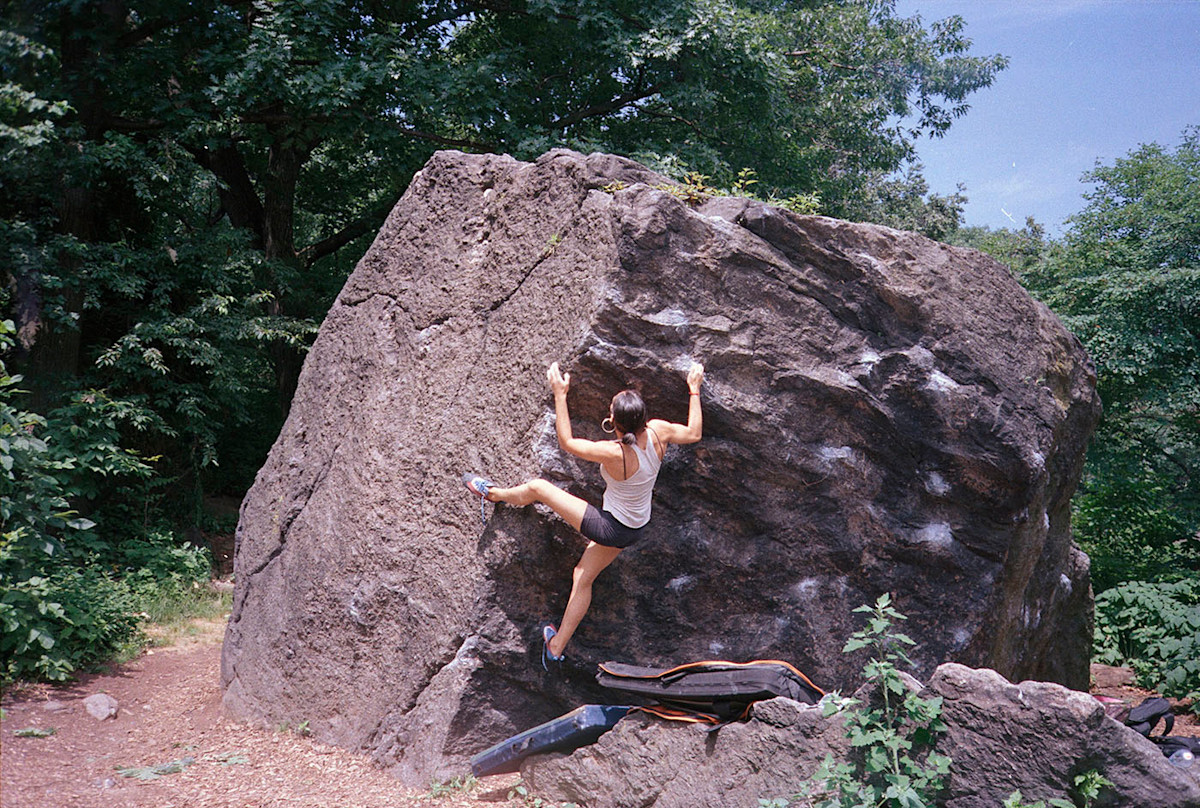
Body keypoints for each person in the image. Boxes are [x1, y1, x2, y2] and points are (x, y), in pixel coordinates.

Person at [464, 360, 704, 668]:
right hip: (636, 525)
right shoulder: (660, 430)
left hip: (612, 527)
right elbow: (694, 432)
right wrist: (694, 389)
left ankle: (492, 494)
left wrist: (560, 393)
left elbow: (567, 443)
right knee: (582, 575)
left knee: (539, 487)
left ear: (614, 421)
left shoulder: (615, 452)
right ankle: (555, 647)